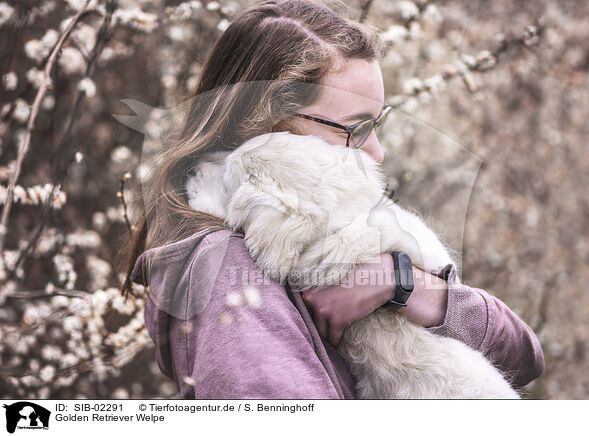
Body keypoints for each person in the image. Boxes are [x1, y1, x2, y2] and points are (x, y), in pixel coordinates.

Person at [120, 0, 544, 399]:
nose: (377, 152)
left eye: (376, 124)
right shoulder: (227, 268)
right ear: (267, 121)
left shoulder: (339, 231)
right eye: (355, 127)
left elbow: (523, 356)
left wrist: (402, 284)